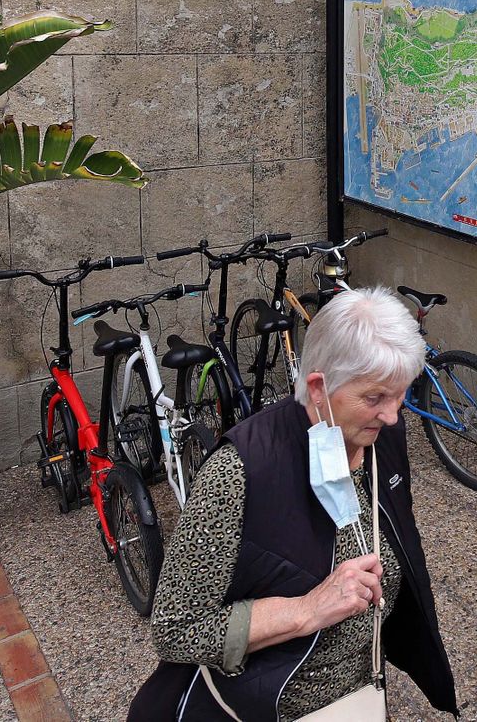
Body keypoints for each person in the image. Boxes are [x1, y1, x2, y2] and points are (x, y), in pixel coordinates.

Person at [128, 285, 457, 721]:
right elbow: (177, 628)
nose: (394, 415)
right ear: (318, 388)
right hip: (269, 707)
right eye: (376, 397)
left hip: (358, 699)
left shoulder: (380, 435)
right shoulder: (238, 474)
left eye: (401, 393)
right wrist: (307, 610)